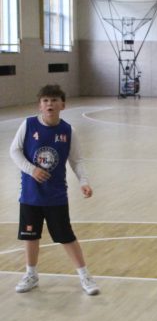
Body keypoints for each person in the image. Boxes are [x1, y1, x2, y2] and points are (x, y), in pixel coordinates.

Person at [9, 84, 99, 296]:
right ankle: (31, 275)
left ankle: (85, 276)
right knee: (30, 236)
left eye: (54, 100)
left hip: (56, 195)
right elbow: (14, 151)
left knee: (66, 236)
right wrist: (31, 170)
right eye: (45, 100)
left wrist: (84, 182)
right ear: (40, 106)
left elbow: (77, 160)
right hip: (30, 194)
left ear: (62, 105)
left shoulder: (68, 131)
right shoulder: (28, 125)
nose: (50, 104)